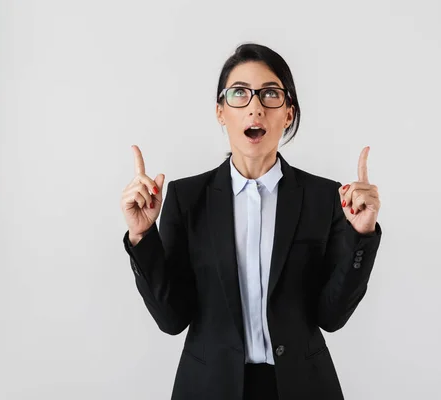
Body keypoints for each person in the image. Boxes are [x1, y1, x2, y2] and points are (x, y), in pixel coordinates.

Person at [120, 43, 383, 400]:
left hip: (303, 387)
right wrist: (142, 235)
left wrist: (362, 234)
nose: (255, 107)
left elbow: (332, 316)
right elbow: (171, 319)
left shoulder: (325, 198)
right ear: (220, 112)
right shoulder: (186, 199)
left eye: (270, 94)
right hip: (210, 388)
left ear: (288, 113)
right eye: (239, 93)